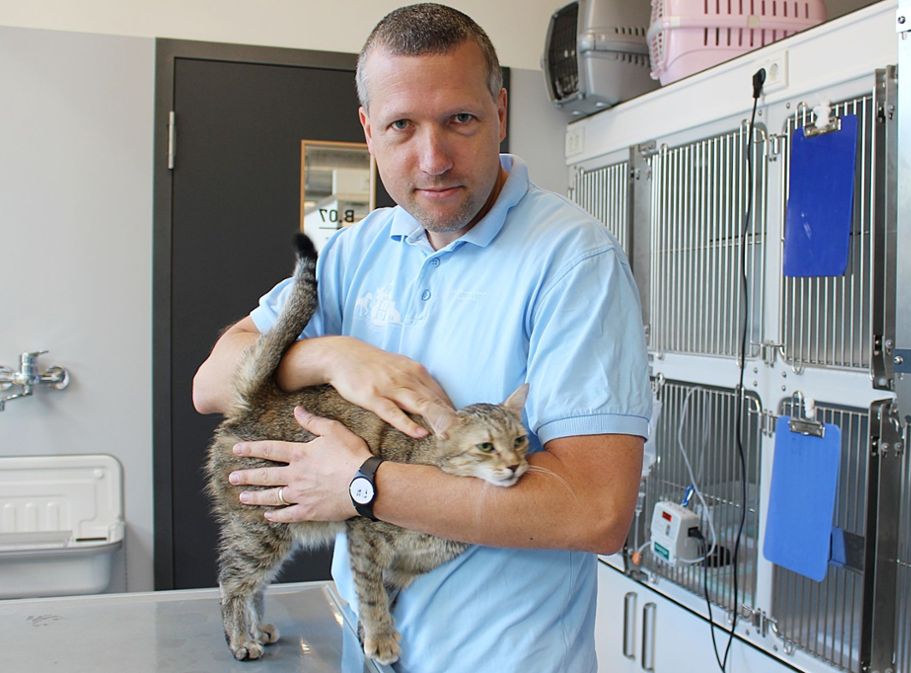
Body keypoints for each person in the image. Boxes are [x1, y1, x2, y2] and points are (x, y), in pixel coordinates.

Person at [192, 4, 652, 672]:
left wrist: (362, 484)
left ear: (499, 110)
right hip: (368, 653)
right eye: (401, 126)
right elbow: (212, 381)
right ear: (368, 131)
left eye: (459, 120)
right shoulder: (359, 250)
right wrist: (333, 355)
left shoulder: (574, 261)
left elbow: (596, 511)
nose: (432, 158)